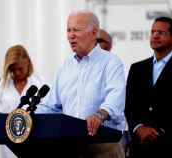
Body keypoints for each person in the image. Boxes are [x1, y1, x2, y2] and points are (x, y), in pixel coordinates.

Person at [36, 10, 126, 158]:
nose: (71, 35)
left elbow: (115, 98)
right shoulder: (65, 66)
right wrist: (25, 115)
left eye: (76, 30)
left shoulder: (111, 62)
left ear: (94, 32)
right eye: (68, 30)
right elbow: (51, 105)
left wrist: (99, 115)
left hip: (103, 145)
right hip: (68, 146)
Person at [125, 17, 172, 158]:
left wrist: (158, 131)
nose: (155, 35)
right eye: (152, 32)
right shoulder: (137, 68)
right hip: (141, 147)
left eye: (161, 32)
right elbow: (129, 104)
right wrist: (139, 128)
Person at [0, 45, 46, 158]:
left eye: (20, 69)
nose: (17, 73)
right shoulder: (2, 85)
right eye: (13, 70)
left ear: (27, 62)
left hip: (35, 138)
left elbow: (49, 109)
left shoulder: (39, 82)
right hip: (9, 142)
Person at [96, 29, 126, 158]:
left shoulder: (117, 68)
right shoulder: (72, 68)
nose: (95, 44)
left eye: (99, 41)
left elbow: (116, 102)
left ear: (109, 45)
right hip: (78, 142)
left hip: (108, 141)